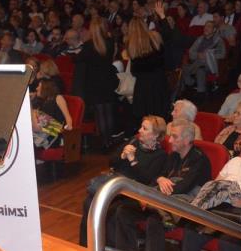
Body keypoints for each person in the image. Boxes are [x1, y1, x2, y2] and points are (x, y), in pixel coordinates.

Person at [114, 120, 211, 251]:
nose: (170, 140)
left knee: (155, 219)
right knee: (124, 210)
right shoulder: (174, 156)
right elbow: (157, 178)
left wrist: (152, 196)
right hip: (162, 203)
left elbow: (183, 188)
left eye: (175, 137)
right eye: (170, 136)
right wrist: (160, 179)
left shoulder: (199, 160)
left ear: (187, 140)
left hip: (185, 209)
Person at [77, 115, 168, 246]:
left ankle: (109, 248)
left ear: (155, 135)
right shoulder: (133, 142)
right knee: (89, 202)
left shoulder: (160, 155)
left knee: (111, 209)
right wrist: (122, 155)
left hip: (133, 191)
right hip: (116, 184)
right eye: (141, 127)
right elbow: (111, 162)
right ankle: (87, 245)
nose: (140, 130)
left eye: (144, 128)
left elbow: (147, 179)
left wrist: (133, 160)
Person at [72, 18, 118, 150]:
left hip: (94, 83)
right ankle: (109, 140)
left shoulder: (89, 45)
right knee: (108, 111)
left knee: (100, 112)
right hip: (108, 81)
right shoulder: (109, 42)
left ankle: (104, 142)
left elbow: (77, 59)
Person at [126, 15, 168, 122]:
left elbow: (134, 71)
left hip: (143, 86)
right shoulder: (156, 37)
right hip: (159, 82)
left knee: (145, 118)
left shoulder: (131, 44)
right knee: (159, 117)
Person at [180, 22, 225, 97]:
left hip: (211, 65)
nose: (206, 28)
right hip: (199, 63)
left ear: (214, 30)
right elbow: (191, 52)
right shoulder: (200, 39)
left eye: (209, 27)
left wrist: (208, 55)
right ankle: (199, 91)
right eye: (205, 26)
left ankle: (186, 77)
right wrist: (198, 55)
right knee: (200, 70)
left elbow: (222, 54)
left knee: (184, 68)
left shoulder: (218, 40)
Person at [31, 79, 73, 150]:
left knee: (35, 117)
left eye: (39, 86)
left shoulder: (58, 98)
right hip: (44, 130)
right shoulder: (41, 101)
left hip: (54, 133)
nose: (36, 88)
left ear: (46, 88)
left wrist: (67, 128)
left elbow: (68, 118)